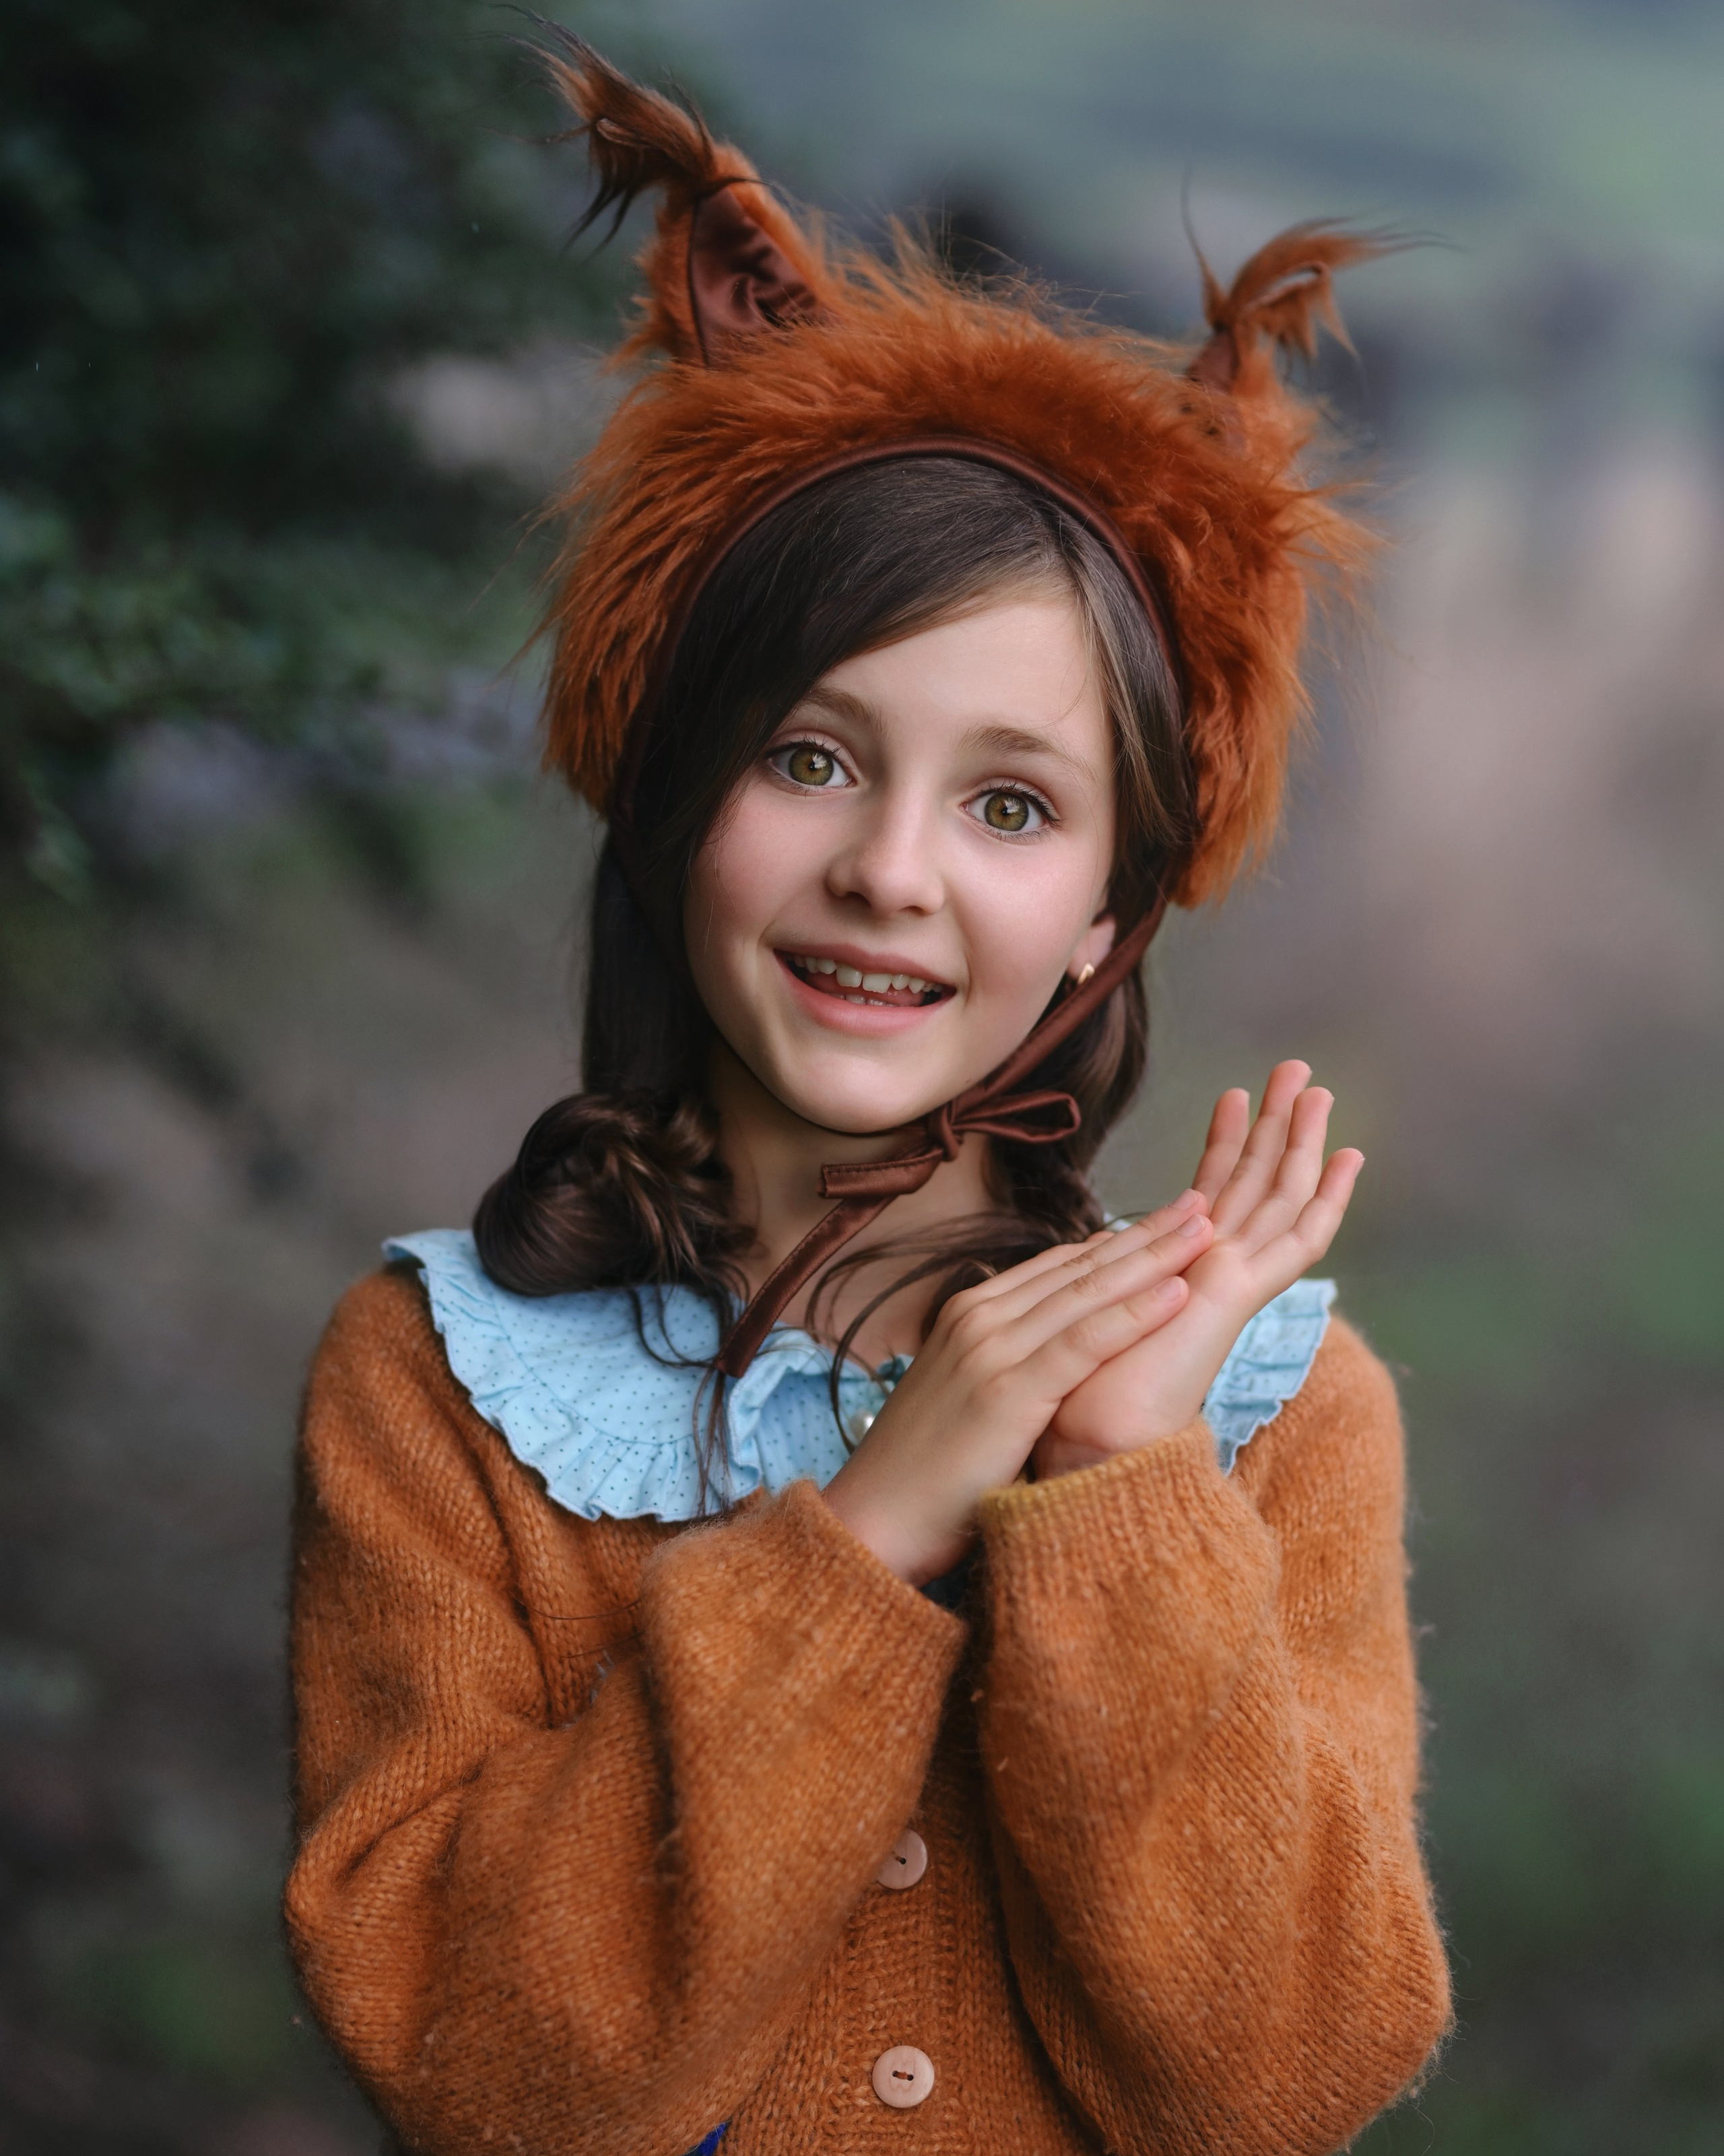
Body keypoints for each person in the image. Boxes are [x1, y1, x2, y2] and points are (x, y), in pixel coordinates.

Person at [285, 35, 1451, 2156]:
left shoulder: (1280, 1412)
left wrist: (1117, 1488)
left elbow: (1275, 2081)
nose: (890, 868)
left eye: (1012, 804)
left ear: (1112, 916)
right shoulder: (439, 1389)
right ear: (666, 796)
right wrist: (870, 1530)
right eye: (811, 756)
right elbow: (484, 2070)